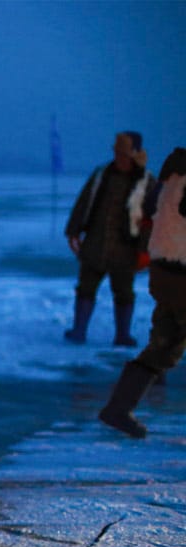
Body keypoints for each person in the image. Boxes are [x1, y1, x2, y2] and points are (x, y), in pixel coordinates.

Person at [99, 147, 186, 438]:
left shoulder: (171, 172)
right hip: (182, 271)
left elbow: (149, 209)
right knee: (165, 343)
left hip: (165, 269)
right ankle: (118, 409)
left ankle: (118, 409)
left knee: (164, 344)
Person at [64, 131, 157, 346]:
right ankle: (79, 331)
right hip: (95, 245)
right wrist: (73, 231)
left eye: (123, 153)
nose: (119, 157)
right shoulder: (101, 175)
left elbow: (153, 221)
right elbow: (83, 203)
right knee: (85, 288)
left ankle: (122, 335)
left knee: (124, 293)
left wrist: (146, 251)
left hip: (126, 250)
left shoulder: (146, 182)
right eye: (117, 152)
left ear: (135, 154)